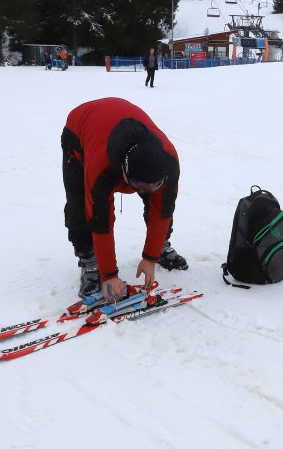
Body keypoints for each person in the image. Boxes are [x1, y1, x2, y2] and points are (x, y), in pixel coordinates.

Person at [61, 97, 188, 302]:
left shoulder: (169, 162)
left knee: (161, 202)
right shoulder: (101, 169)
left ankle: (162, 244)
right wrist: (108, 274)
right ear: (124, 176)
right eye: (140, 187)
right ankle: (90, 262)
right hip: (80, 129)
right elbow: (100, 221)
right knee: (79, 206)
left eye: (153, 186)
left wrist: (150, 257)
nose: (147, 190)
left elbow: (162, 211)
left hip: (122, 124)